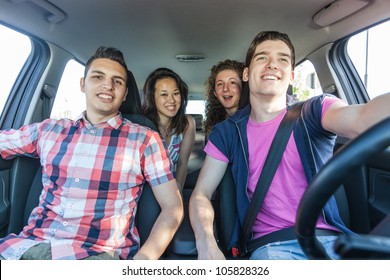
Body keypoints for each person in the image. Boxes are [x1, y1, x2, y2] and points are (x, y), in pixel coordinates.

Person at [189, 31, 390, 260]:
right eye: (262, 57)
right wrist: (206, 242)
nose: (273, 64)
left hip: (332, 243)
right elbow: (201, 194)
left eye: (282, 59)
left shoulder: (315, 111)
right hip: (271, 248)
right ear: (246, 73)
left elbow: (363, 117)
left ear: (292, 75)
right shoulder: (227, 133)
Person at [0, 46, 183, 260]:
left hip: (97, 255)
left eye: (118, 81)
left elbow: (173, 206)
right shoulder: (49, 130)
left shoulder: (144, 139)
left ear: (125, 94)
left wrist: (143, 260)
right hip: (29, 247)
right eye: (98, 76)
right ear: (82, 84)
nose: (108, 85)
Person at [142, 68, 196, 193]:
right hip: (145, 190)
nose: (171, 100)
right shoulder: (141, 125)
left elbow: (182, 163)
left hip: (170, 188)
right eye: (164, 94)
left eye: (176, 93)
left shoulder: (187, 124)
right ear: (152, 98)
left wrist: (179, 190)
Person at [204, 59, 245, 136]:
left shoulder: (255, 120)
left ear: (243, 88)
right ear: (215, 93)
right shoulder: (216, 127)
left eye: (232, 82)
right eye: (220, 84)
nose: (225, 89)